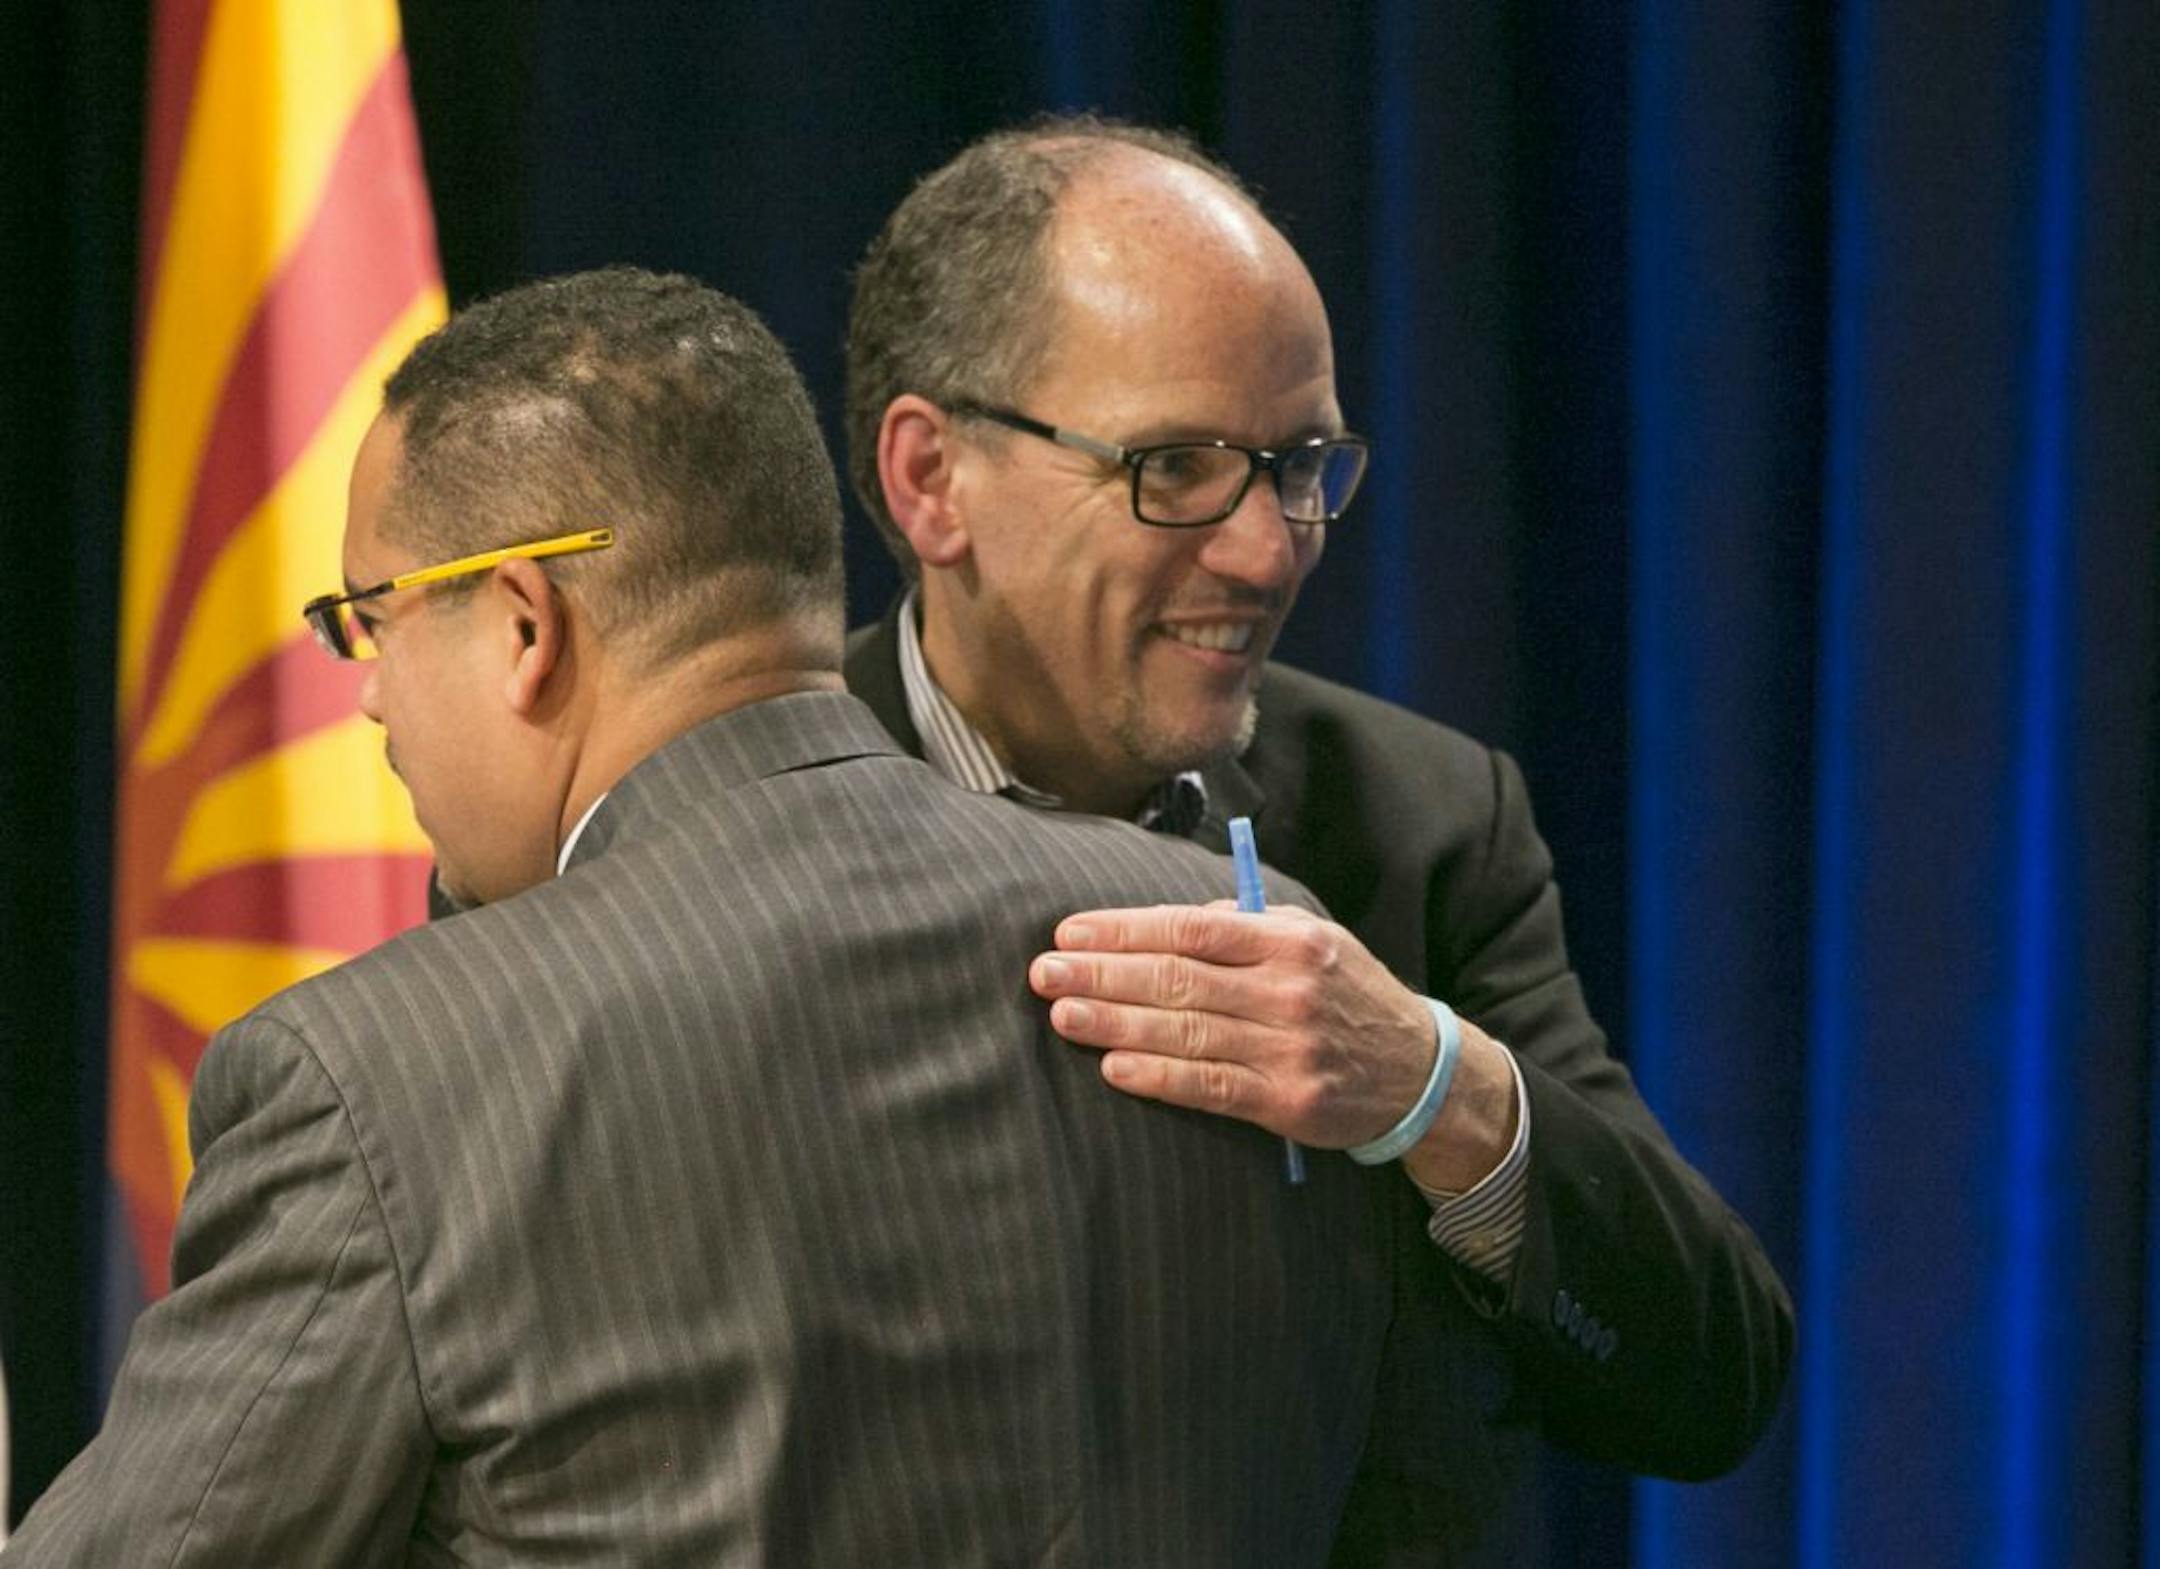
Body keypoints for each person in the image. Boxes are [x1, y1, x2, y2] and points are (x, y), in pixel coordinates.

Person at [11, 268, 1429, 1564]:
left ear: (523, 623)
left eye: (373, 618)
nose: (370, 692)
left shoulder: (384, 1083)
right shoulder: (1252, 968)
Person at [842, 117, 1796, 1558]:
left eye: (1301, 465)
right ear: (932, 479)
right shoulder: (685, 835)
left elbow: (1707, 1382)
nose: (1268, 547)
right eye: (1176, 468)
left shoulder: (1417, 829)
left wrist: (1433, 1088)